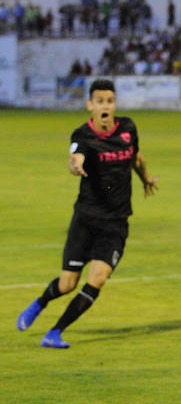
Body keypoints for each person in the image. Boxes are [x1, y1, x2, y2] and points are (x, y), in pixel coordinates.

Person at [16, 79, 159, 348]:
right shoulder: (82, 135)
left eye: (110, 100)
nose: (106, 105)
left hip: (115, 223)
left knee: (98, 279)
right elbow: (76, 157)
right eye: (100, 101)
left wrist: (146, 179)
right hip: (86, 219)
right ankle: (39, 304)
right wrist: (75, 165)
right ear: (90, 105)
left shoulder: (128, 128)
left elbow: (137, 157)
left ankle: (55, 332)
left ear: (114, 104)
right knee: (68, 283)